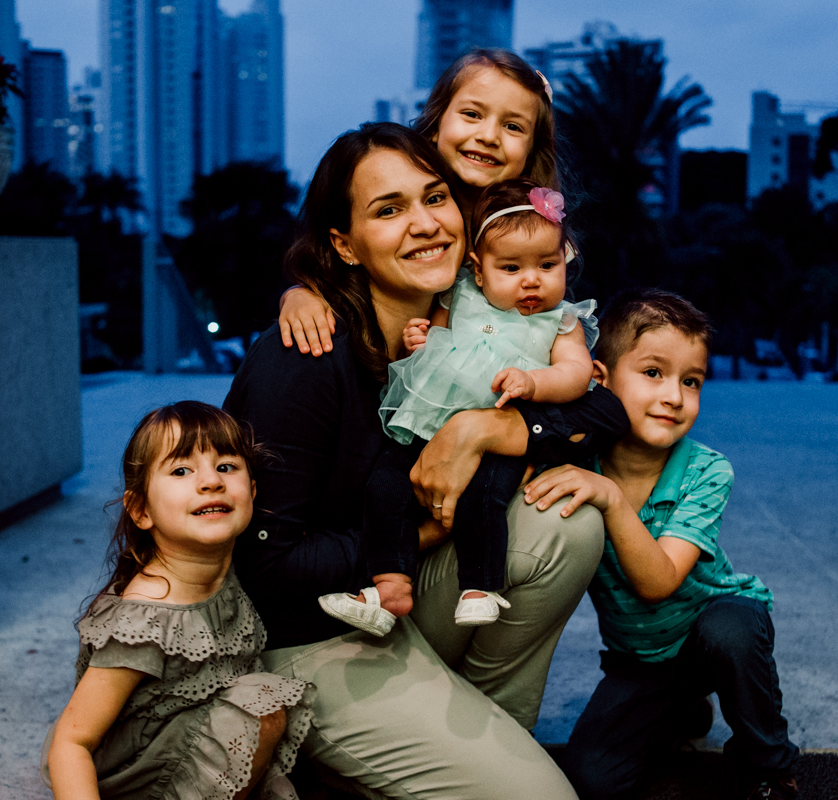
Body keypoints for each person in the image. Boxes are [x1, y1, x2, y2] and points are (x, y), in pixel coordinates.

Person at [223, 122, 627, 800]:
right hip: (312, 637)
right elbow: (263, 566)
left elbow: (601, 413)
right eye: (389, 210)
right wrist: (423, 534)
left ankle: (475, 743)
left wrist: (487, 427)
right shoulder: (306, 358)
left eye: (435, 198)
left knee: (566, 524)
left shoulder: (473, 315)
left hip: (403, 606)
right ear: (345, 245)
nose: (424, 223)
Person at [521, 290, 801, 800]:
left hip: (712, 631)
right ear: (600, 379)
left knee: (731, 630)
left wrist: (610, 499)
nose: (675, 396)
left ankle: (769, 765)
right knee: (591, 779)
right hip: (641, 659)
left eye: (691, 381)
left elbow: (658, 582)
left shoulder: (707, 470)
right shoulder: (575, 466)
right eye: (653, 373)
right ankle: (681, 708)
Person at [318, 178, 599, 634]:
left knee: (484, 498)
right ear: (479, 270)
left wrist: (534, 381)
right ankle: (390, 586)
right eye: (511, 267)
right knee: (385, 486)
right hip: (431, 418)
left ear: (565, 260)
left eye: (547, 265)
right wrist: (419, 342)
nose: (531, 279)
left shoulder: (561, 320)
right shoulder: (460, 295)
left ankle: (480, 586)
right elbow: (437, 340)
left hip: (501, 427)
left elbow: (577, 373)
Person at [43, 402, 315, 800]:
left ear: (253, 492)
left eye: (226, 466)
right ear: (141, 510)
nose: (211, 482)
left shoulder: (226, 567)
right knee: (258, 705)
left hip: (198, 749)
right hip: (143, 787)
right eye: (181, 471)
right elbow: (71, 744)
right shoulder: (147, 620)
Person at [278, 47, 559, 357]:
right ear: (436, 124)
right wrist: (301, 296)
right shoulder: (397, 199)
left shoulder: (534, 232)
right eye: (472, 114)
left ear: (532, 150)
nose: (489, 136)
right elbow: (345, 272)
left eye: (513, 127)